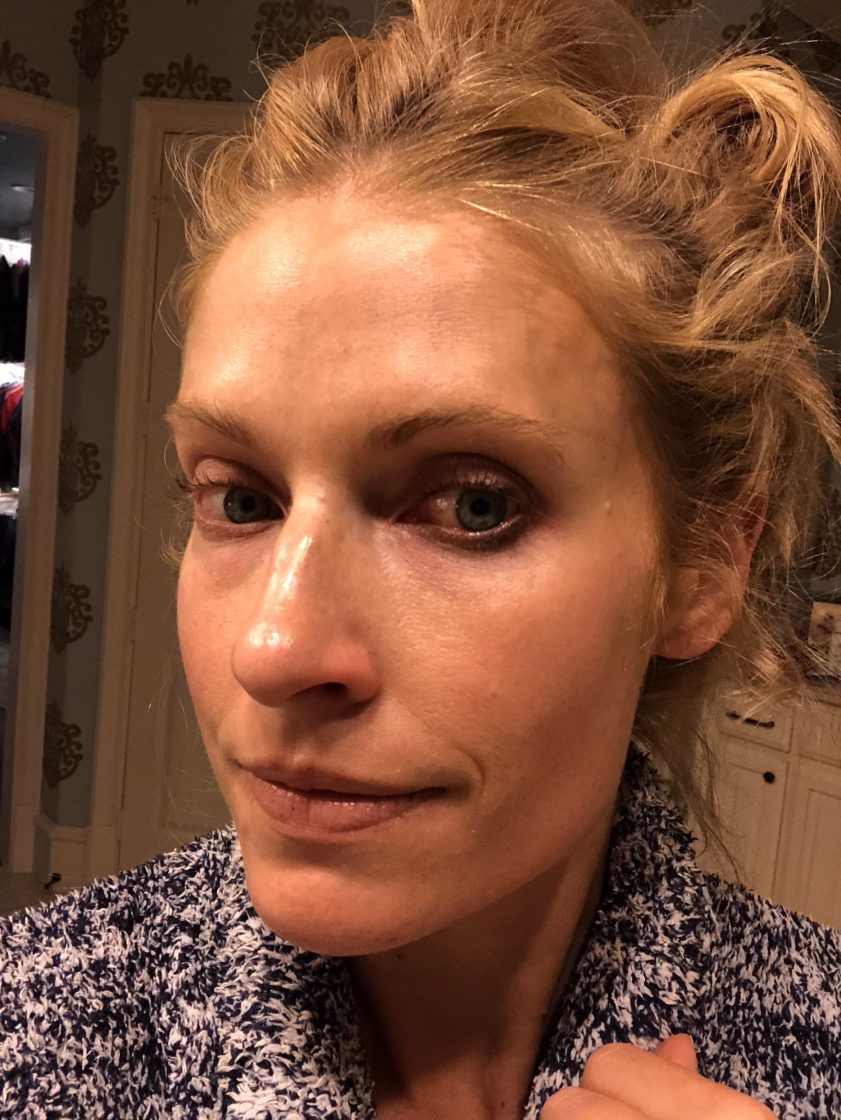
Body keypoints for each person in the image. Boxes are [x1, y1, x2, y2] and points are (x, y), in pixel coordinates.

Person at [2, 1, 840, 1117]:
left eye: (472, 505)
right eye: (241, 499)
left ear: (706, 562)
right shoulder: (31, 1035)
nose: (271, 649)